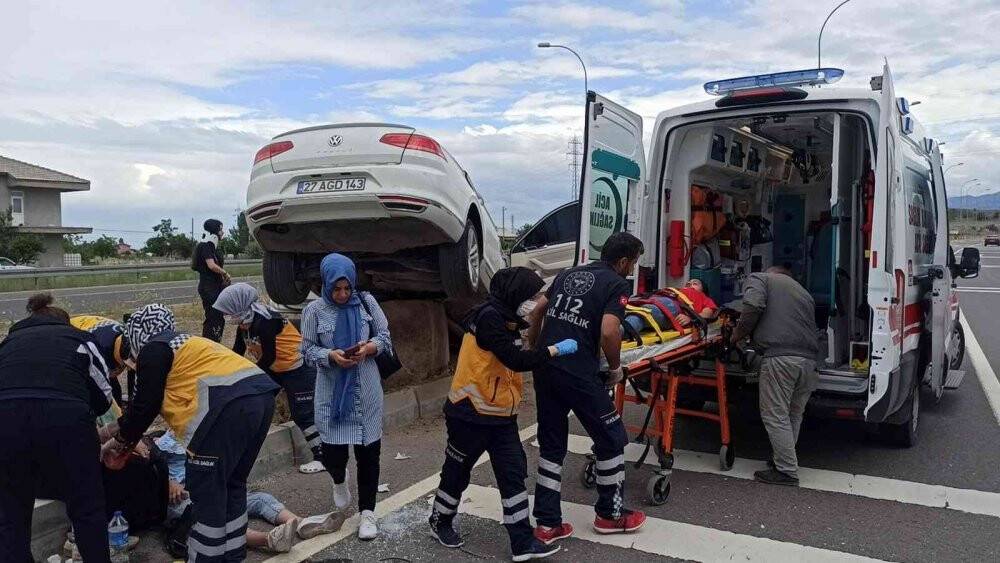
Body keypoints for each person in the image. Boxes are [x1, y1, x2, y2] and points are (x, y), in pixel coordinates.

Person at [100, 303, 281, 562]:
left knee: (207, 494)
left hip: (224, 411)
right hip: (261, 398)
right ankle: (233, 556)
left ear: (138, 333)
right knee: (232, 486)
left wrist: (118, 442)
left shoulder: (154, 348)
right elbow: (142, 410)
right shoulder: (186, 342)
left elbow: (144, 406)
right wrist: (121, 433)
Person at [429, 267, 578, 561]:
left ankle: (522, 542)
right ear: (516, 294)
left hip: (500, 416)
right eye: (532, 295)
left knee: (512, 475)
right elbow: (515, 360)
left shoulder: (506, 317)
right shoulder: (489, 319)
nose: (535, 301)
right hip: (469, 412)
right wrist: (554, 351)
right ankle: (440, 520)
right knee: (457, 472)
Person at [527, 232, 648, 541]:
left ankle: (547, 523)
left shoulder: (569, 273)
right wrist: (616, 368)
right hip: (578, 371)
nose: (632, 269)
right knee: (611, 437)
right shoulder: (616, 284)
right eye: (633, 263)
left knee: (552, 443)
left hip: (546, 366)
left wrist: (536, 351)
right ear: (622, 261)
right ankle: (611, 514)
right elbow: (609, 331)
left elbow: (536, 311)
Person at [0, 294, 114, 563]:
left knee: (10, 512)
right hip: (66, 420)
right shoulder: (80, 340)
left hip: (5, 422)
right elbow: (104, 395)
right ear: (66, 322)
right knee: (86, 507)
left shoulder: (7, 345)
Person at [300, 253, 391, 541]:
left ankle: (367, 513)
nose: (342, 294)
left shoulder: (367, 303)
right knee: (333, 454)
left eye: (346, 288)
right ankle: (339, 481)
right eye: (336, 289)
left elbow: (385, 337)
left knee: (369, 454)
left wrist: (369, 349)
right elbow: (306, 351)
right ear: (326, 284)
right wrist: (330, 355)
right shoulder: (313, 311)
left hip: (365, 390)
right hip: (331, 393)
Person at [155, 430, 344, 554]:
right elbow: (152, 474)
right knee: (219, 522)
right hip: (184, 501)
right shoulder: (160, 445)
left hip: (214, 491)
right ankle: (269, 540)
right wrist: (169, 482)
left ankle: (302, 523)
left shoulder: (204, 437)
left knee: (261, 499)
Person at [213, 283, 325, 474]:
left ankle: (323, 457)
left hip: (298, 368)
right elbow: (237, 352)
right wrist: (223, 373)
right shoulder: (245, 325)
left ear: (240, 306)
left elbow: (269, 356)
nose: (228, 316)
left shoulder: (267, 320)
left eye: (229, 311)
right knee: (255, 401)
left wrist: (249, 376)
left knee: (302, 414)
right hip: (277, 369)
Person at [731, 265, 820, 486]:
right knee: (793, 414)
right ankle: (783, 460)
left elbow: (752, 305)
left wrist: (737, 335)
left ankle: (787, 471)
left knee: (775, 415)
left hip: (781, 359)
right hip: (809, 362)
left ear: (772, 271)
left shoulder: (761, 278)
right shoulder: (804, 293)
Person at [621, 278, 719, 337]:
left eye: (695, 283)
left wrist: (691, 318)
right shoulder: (677, 290)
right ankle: (617, 330)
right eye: (688, 282)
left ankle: (617, 332)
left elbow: (707, 314)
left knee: (643, 313)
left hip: (673, 306)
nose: (689, 283)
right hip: (656, 299)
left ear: (703, 291)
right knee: (637, 313)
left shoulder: (704, 298)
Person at [192, 218, 231, 342]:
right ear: (215, 231)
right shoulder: (206, 246)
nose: (222, 232)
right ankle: (210, 344)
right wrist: (225, 273)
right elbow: (211, 265)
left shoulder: (211, 247)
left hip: (214, 286)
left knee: (217, 317)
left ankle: (213, 343)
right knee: (214, 317)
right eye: (220, 229)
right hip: (209, 288)